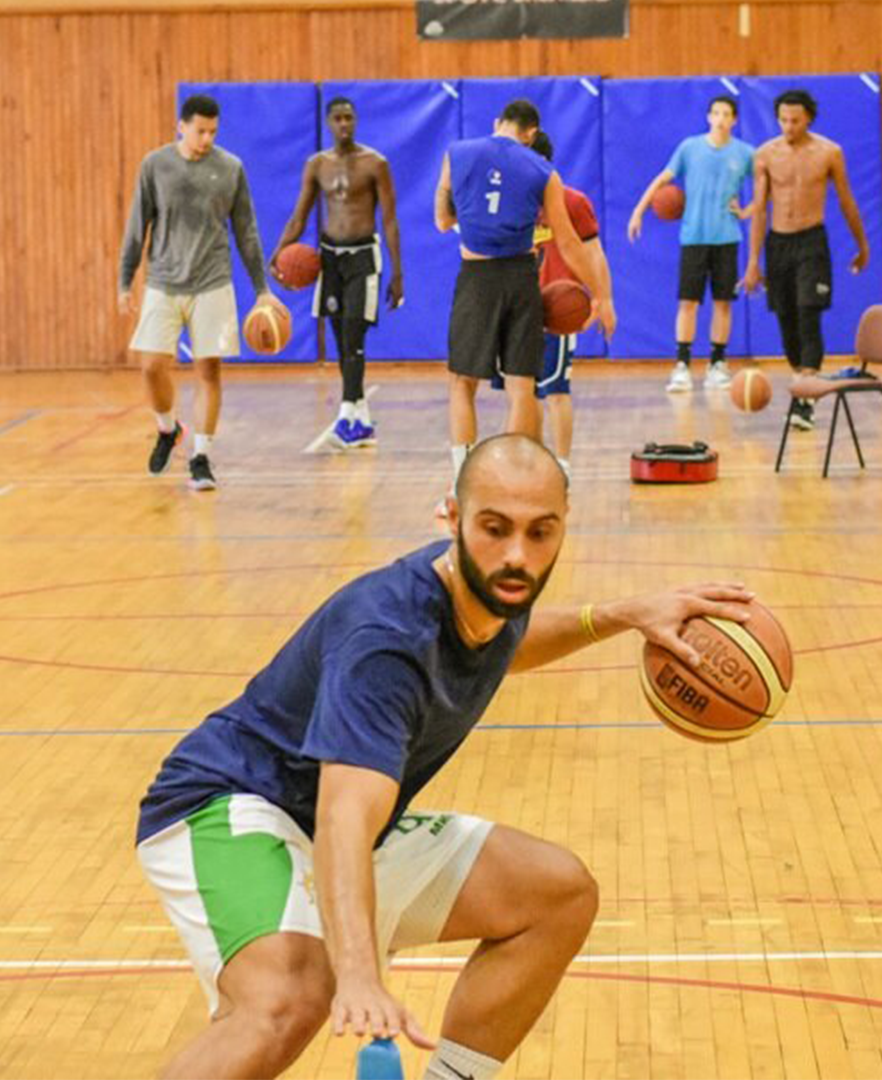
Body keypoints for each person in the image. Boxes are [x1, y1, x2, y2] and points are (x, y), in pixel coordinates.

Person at [134, 433, 754, 1080]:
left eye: (541, 532)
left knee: (557, 895)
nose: (517, 553)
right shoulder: (386, 642)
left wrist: (621, 615)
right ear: (452, 519)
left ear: (564, 526)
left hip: (326, 820)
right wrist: (359, 975)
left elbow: (507, 641)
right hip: (231, 805)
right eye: (495, 528)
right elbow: (343, 817)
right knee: (287, 1000)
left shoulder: (489, 589)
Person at [435, 100, 615, 505]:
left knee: (462, 383)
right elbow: (568, 244)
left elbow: (442, 220)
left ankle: (463, 487)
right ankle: (515, 481)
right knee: (522, 386)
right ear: (532, 133)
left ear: (498, 123)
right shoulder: (543, 171)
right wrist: (601, 297)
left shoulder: (457, 153)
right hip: (521, 277)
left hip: (477, 278)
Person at [119, 94, 278, 492]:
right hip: (164, 281)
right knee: (151, 365)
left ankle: (201, 457)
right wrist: (125, 280)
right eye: (199, 131)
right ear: (181, 126)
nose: (206, 139)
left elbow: (246, 231)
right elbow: (138, 225)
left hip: (212, 281)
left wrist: (262, 290)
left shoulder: (229, 168)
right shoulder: (155, 165)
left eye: (212, 132)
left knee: (208, 371)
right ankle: (168, 428)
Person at [270, 97, 405, 452]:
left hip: (363, 258)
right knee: (339, 340)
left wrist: (398, 272)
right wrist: (280, 252)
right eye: (338, 118)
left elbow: (390, 219)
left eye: (349, 118)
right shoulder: (317, 165)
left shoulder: (375, 163)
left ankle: (346, 417)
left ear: (356, 120)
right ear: (328, 123)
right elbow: (299, 216)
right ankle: (362, 420)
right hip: (330, 259)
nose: (344, 124)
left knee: (353, 335)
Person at [739, 89, 872, 430]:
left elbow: (846, 201)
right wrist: (753, 262)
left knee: (808, 315)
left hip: (812, 241)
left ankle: (804, 401)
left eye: (795, 120)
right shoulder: (765, 154)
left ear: (809, 118)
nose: (788, 126)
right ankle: (804, 384)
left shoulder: (829, 152)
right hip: (778, 244)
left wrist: (862, 244)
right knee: (787, 321)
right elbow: (759, 212)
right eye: (783, 119)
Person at [488, 131, 612, 483]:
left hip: (556, 310)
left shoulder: (571, 202)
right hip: (514, 307)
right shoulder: (506, 203)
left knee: (556, 391)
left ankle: (563, 465)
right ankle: (528, 460)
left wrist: (605, 299)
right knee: (520, 394)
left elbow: (593, 252)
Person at [628, 96, 755, 393]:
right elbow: (662, 179)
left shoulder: (745, 153)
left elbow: (769, 183)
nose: (721, 118)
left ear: (734, 120)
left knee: (723, 303)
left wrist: (749, 210)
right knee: (688, 303)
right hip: (694, 238)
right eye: (716, 113)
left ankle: (717, 364)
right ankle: (682, 365)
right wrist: (638, 211)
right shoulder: (690, 148)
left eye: (726, 114)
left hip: (727, 238)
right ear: (709, 117)